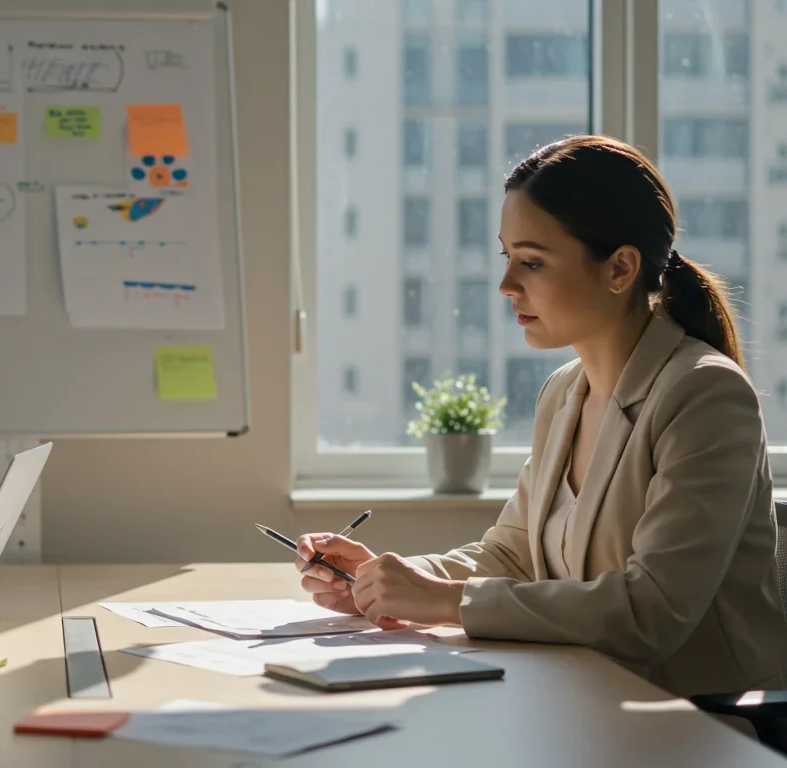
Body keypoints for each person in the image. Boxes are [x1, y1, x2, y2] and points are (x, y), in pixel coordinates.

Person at [297, 135, 787, 701]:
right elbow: (512, 554)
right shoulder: (564, 393)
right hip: (583, 696)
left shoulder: (704, 392)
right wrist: (384, 579)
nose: (506, 286)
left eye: (532, 262)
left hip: (695, 720)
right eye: (509, 258)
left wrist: (437, 599)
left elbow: (652, 611)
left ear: (621, 268)